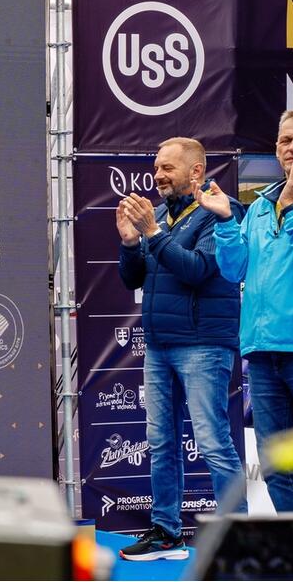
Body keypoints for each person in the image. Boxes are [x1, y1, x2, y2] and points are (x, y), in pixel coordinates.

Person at [115, 137, 246, 561]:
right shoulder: (156, 216)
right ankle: (167, 532)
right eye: (156, 168)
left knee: (212, 442)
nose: (158, 176)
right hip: (159, 345)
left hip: (204, 345)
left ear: (196, 171)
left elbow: (198, 272)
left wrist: (152, 235)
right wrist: (130, 244)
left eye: (167, 168)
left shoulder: (219, 211)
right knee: (160, 440)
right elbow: (132, 279)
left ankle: (237, 535)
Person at [199, 112, 293, 511]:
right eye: (285, 140)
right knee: (277, 466)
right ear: (275, 149)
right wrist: (224, 220)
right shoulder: (258, 208)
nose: (291, 147)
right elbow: (233, 267)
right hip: (262, 354)